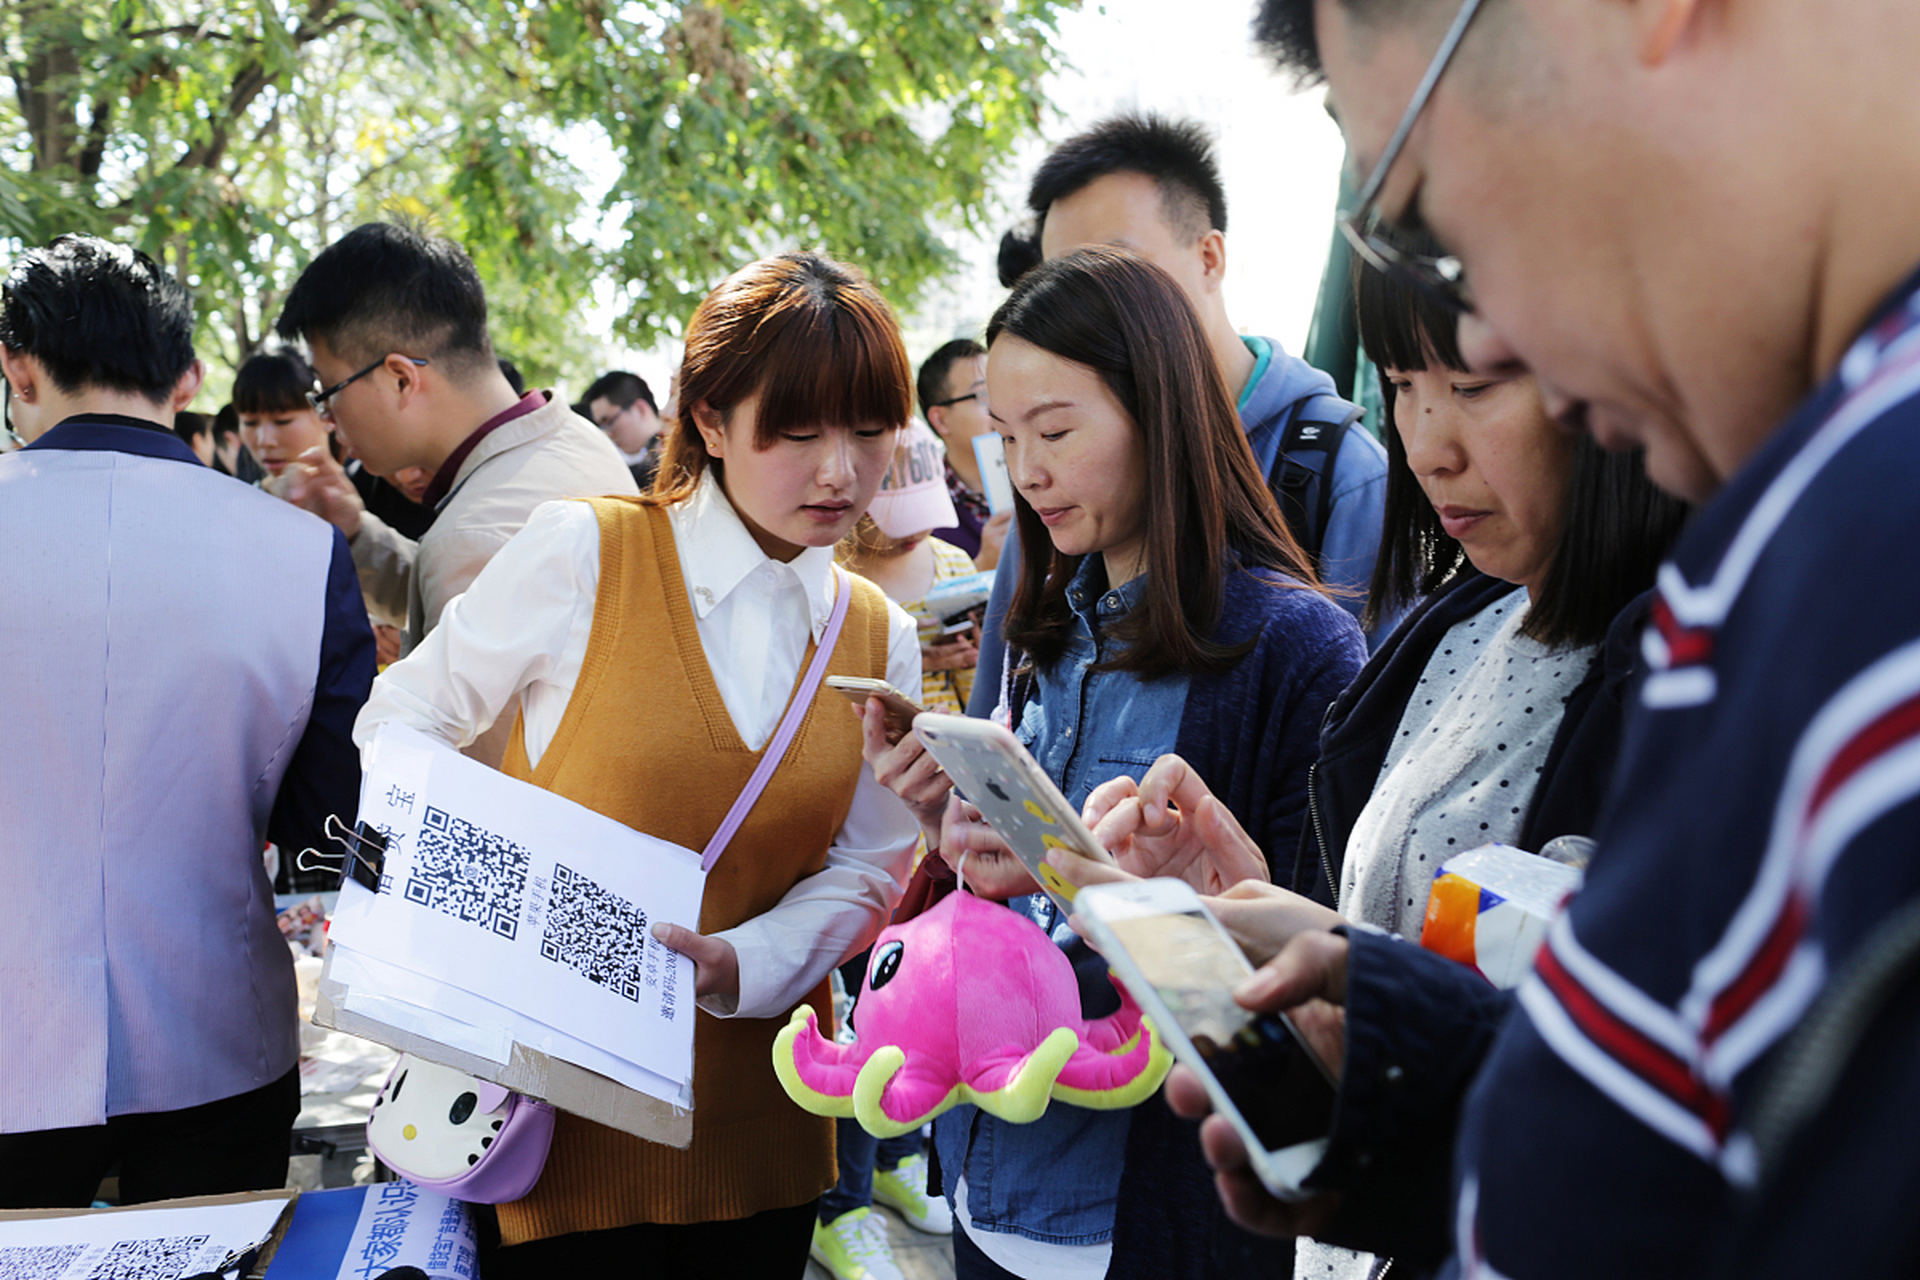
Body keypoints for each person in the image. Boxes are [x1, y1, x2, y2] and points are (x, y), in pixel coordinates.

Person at [1096, 0, 1920, 1276]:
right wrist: (1410, 1060)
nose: (1488, 335)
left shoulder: (1862, 538)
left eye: (1428, 219)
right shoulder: (1790, 537)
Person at [357, 249, 922, 1276]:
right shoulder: (584, 554)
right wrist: (483, 908)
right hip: (548, 1134)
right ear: (708, 420)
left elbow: (870, 862)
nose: (841, 470)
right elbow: (406, 719)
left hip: (765, 1132)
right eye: (798, 432)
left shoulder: (878, 634)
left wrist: (742, 964)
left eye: (870, 430)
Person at [864, 246, 1366, 1280]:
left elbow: (1315, 969)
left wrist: (1164, 911)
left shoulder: (1296, 647)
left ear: (1163, 410)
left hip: (1151, 1210)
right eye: (1006, 439)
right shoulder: (1046, 618)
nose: (1029, 471)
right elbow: (1017, 904)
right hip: (986, 1170)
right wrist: (953, 835)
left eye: (1055, 430)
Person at [0, 235, 373, 1207]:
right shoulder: (301, 554)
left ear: (17, 362)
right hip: (216, 1036)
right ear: (189, 374)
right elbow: (325, 824)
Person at [970, 112, 1393, 720]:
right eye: (1059, 280)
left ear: (1210, 258)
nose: (1082, 308)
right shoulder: (1050, 480)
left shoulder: (1341, 473)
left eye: (1119, 266)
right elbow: (1000, 721)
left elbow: (1363, 750)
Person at [273, 221, 637, 764]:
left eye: (328, 393)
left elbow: (478, 793)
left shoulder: (472, 534)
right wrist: (357, 532)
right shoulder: (570, 439)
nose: (328, 419)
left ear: (400, 378)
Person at [813, 422, 973, 1280]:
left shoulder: (952, 566)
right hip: (858, 827)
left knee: (918, 1011)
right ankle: (842, 1198)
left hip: (938, 835)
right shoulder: (836, 588)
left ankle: (905, 1156)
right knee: (857, 1015)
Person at [918, 339, 1013, 570]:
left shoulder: (1039, 476)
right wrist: (980, 567)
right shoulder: (923, 514)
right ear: (940, 420)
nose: (1001, 406)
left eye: (1001, 389)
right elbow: (921, 603)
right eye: (983, 395)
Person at [233, 349, 339, 498]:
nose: (265, 441)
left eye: (282, 421)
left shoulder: (371, 490)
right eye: (250, 423)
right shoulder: (242, 505)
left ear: (327, 415)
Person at [583, 368, 667, 489]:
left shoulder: (670, 451)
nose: (607, 434)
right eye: (601, 427)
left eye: (608, 421)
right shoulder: (650, 454)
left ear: (640, 409)